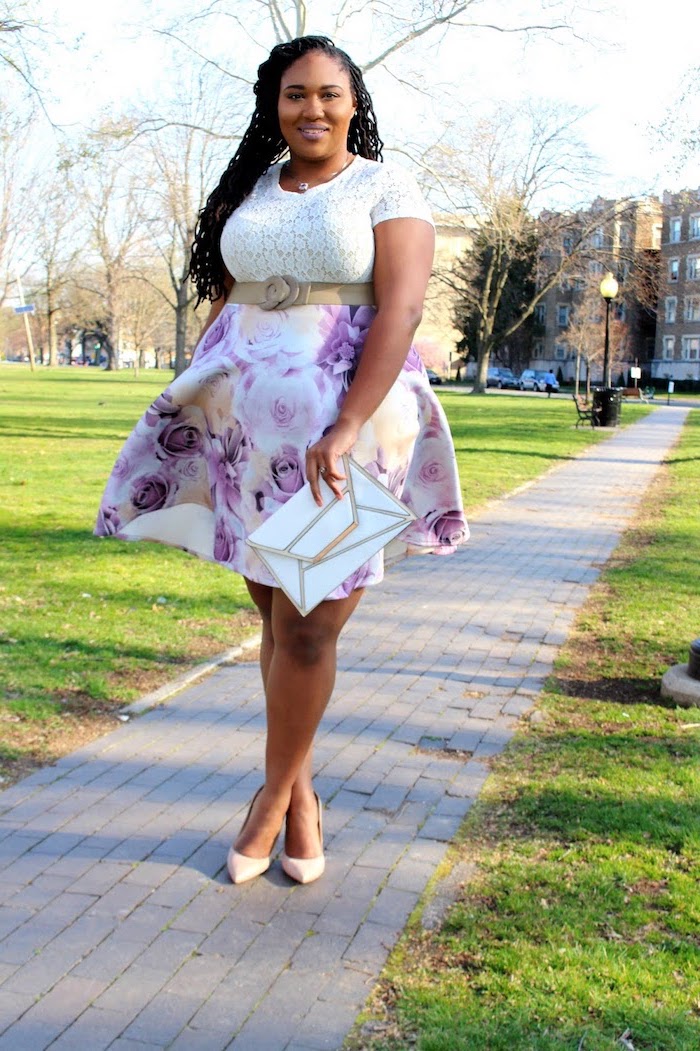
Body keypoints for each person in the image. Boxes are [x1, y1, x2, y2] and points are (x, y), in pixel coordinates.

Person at [95, 35, 467, 885]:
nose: (313, 109)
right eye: (296, 94)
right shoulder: (254, 189)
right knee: (272, 615)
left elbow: (402, 310)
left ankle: (268, 801)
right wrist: (195, 392)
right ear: (275, 105)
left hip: (347, 433)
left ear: (353, 101)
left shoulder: (386, 185)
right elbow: (229, 304)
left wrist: (347, 423)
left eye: (329, 94)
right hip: (248, 435)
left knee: (310, 624)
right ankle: (301, 796)